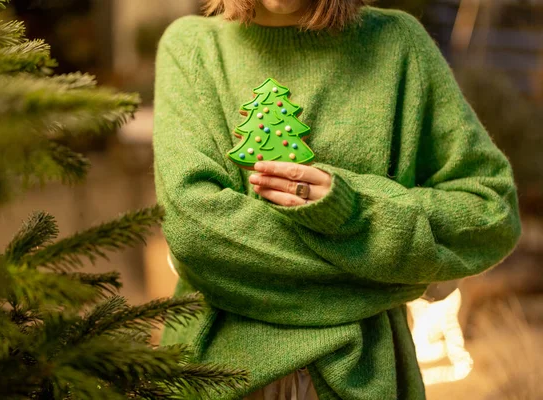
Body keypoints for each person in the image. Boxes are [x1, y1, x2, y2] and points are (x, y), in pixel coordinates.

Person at [152, 0, 522, 398]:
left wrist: (353, 212)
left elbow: (490, 212)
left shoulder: (399, 46)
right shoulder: (191, 47)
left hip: (365, 381)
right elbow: (196, 236)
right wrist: (387, 272)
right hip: (217, 379)